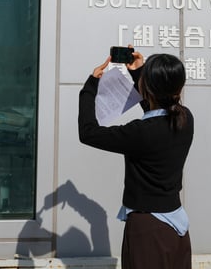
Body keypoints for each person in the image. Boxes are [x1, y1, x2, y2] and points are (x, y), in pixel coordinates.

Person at [78, 49, 194, 269]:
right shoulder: (185, 118)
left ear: (146, 88)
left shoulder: (141, 132)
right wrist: (139, 73)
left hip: (147, 230)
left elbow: (88, 133)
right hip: (177, 228)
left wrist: (90, 87)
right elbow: (157, 105)